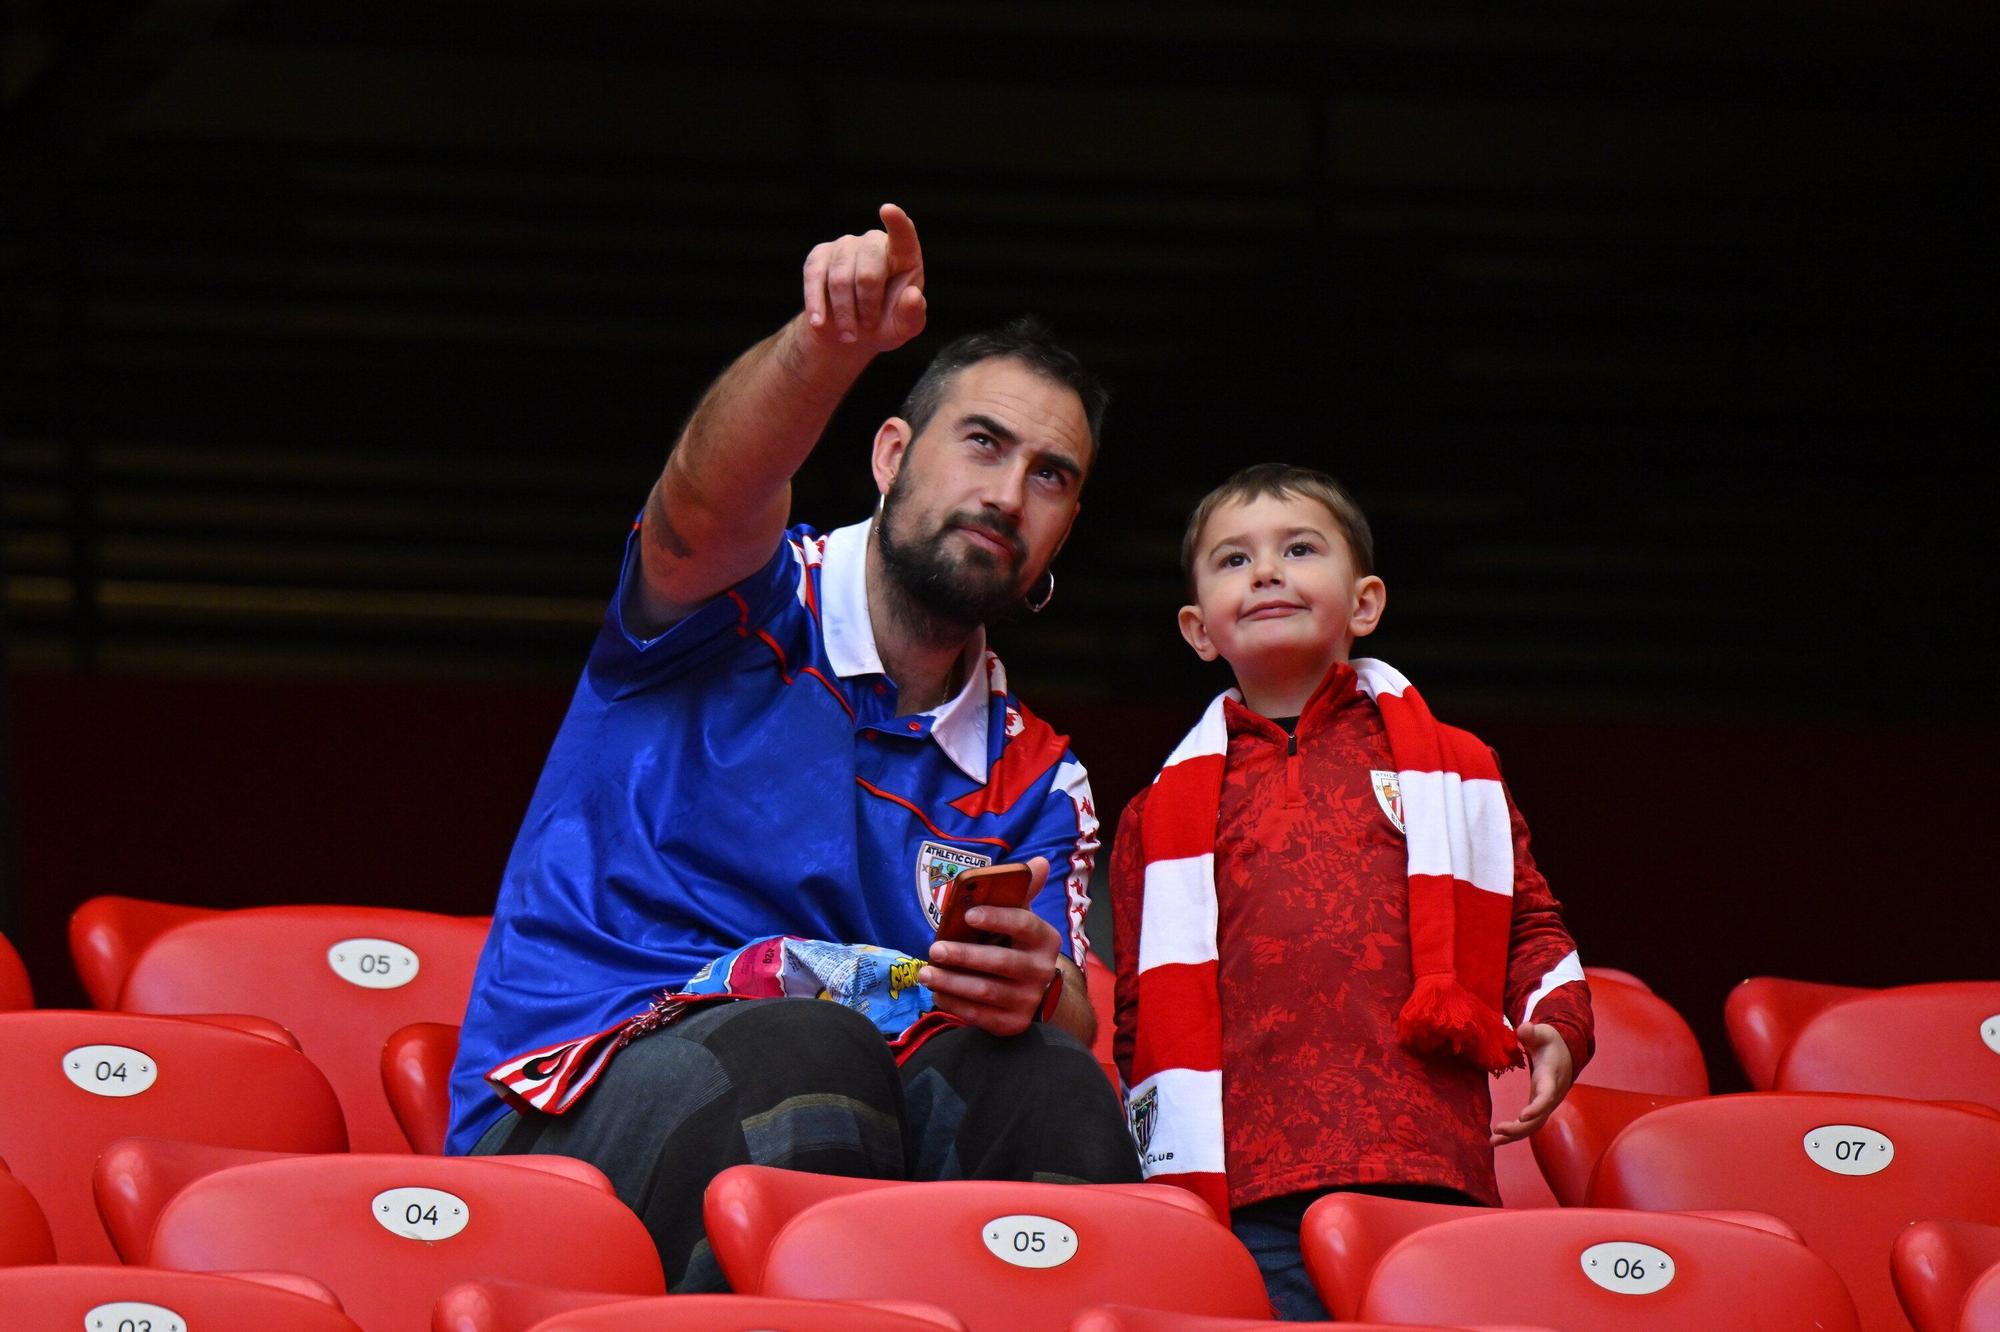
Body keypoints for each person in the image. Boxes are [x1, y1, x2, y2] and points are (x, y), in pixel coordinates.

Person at [447, 204, 1138, 1287]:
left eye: (1048, 476)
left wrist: (1034, 991)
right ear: (891, 452)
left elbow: (1067, 1004)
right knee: (806, 1054)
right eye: (983, 443)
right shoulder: (736, 597)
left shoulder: (1040, 777)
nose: (1006, 494)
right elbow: (706, 489)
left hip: (850, 1125)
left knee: (1050, 1083)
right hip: (560, 1114)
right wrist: (829, 346)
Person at [1109, 463, 1593, 1320]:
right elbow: (1140, 1016)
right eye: (1232, 560)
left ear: (1364, 603)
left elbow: (1529, 921)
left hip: (1426, 1158)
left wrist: (1558, 1022)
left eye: (1298, 548)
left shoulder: (1456, 766)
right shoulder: (1157, 813)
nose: (1265, 572)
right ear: (1197, 629)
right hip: (1249, 1178)